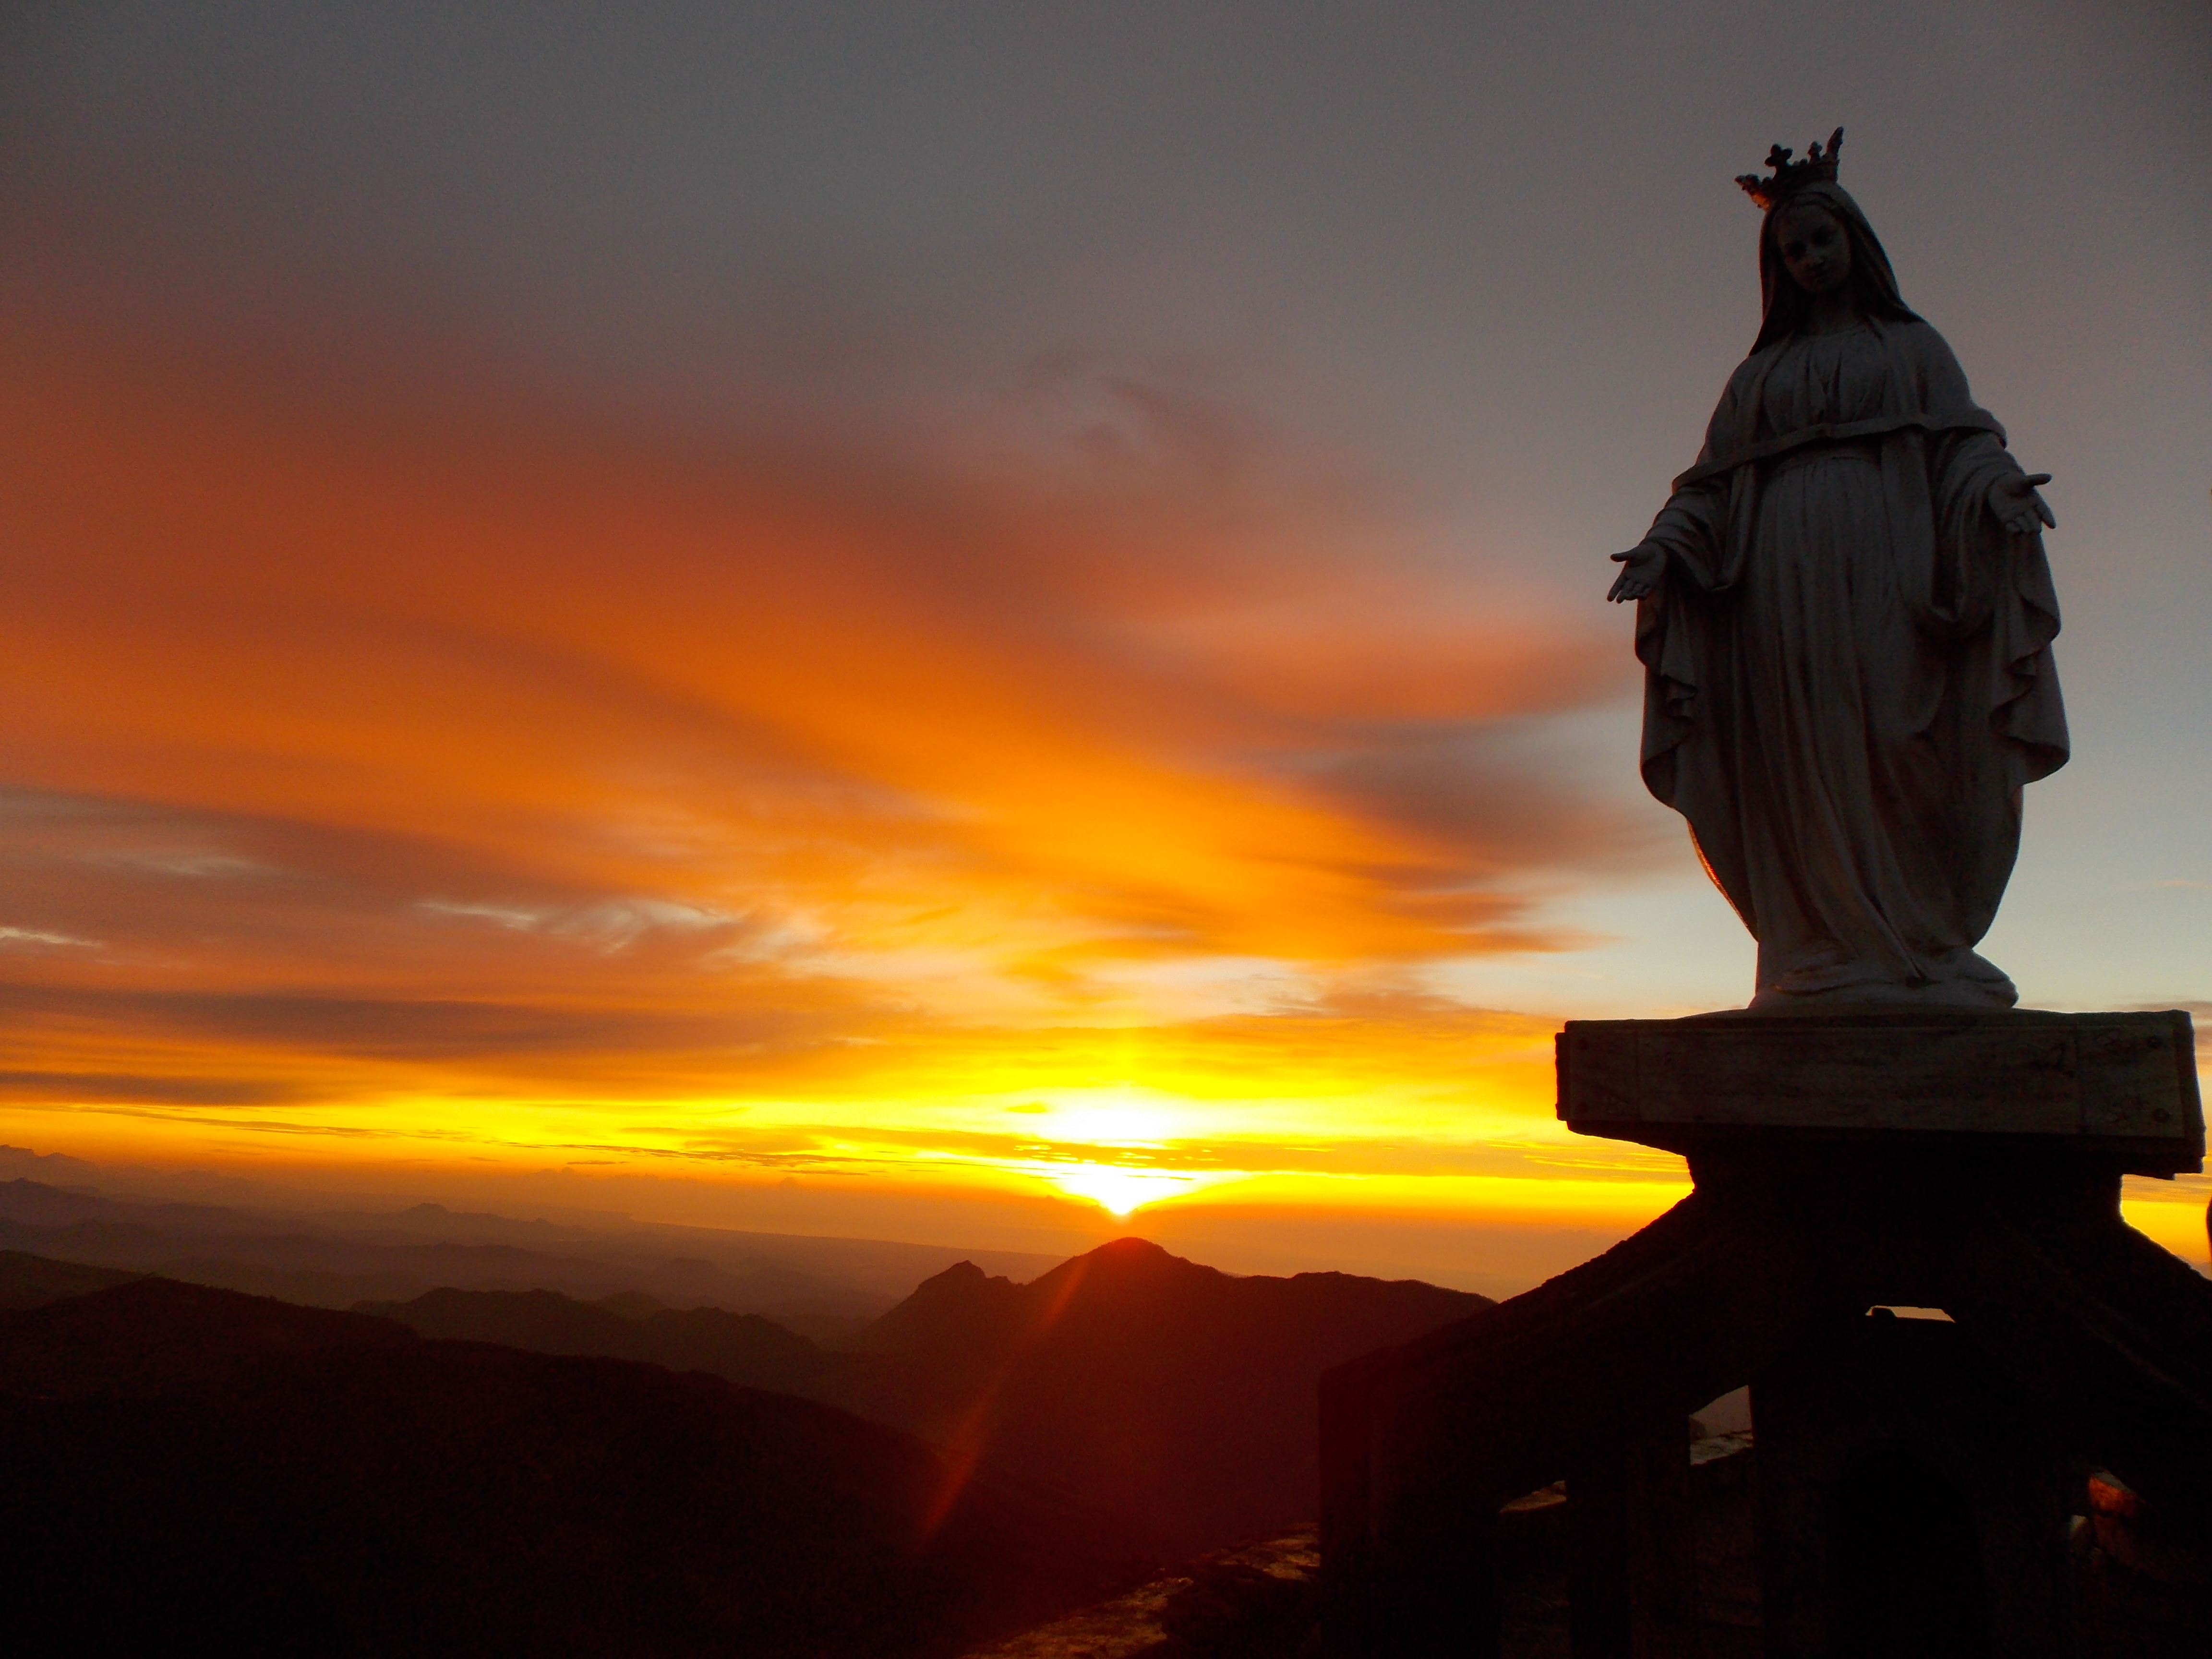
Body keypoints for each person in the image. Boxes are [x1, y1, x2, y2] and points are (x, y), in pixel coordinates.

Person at [1606, 130, 2067, 1009]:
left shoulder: (1913, 351)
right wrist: (1665, 546)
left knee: (1897, 736)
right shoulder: (1758, 378)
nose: (1813, 259)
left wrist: (1999, 492)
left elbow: (1964, 450)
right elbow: (1708, 486)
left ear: (1856, 243)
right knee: (1802, 751)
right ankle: (1816, 947)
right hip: (1779, 587)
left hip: (1893, 576)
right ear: (1776, 268)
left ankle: (1921, 942)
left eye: (1823, 241)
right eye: (1794, 250)